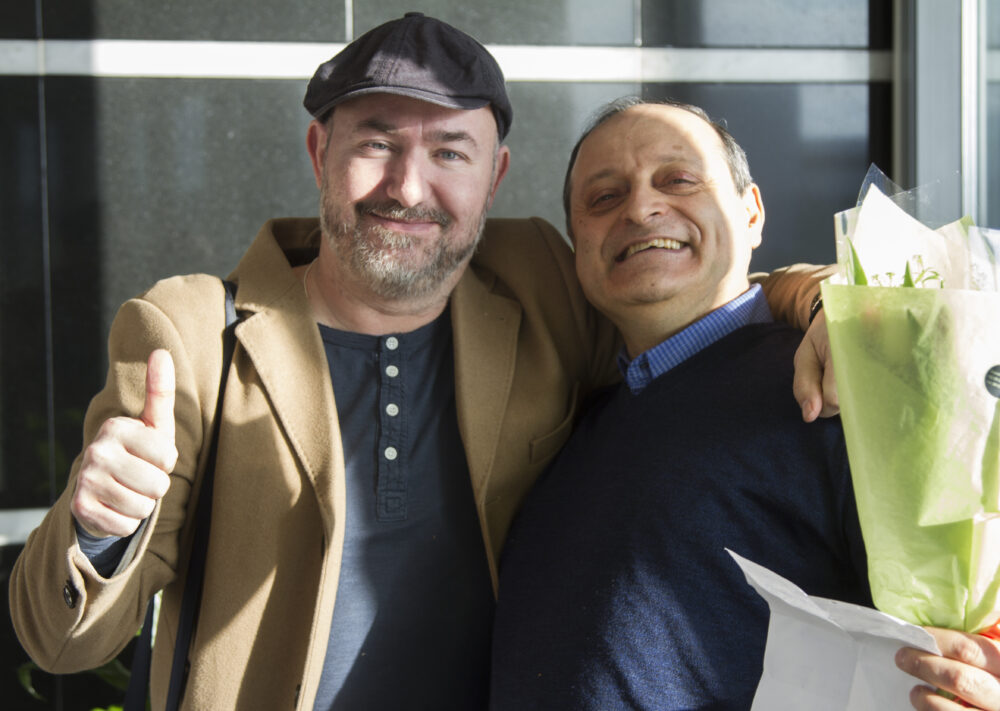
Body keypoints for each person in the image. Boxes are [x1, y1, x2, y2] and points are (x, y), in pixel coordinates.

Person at [9, 15, 830, 710]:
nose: (407, 187)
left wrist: (829, 304)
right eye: (377, 143)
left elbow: (691, 287)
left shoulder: (542, 285)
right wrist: (100, 529)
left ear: (494, 177)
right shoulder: (192, 335)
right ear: (319, 152)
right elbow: (60, 640)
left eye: (449, 153)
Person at [489, 97, 875, 710]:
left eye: (678, 180)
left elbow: (951, 648)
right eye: (604, 197)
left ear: (751, 214)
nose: (640, 208)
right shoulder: (568, 422)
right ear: (577, 246)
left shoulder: (835, 384)